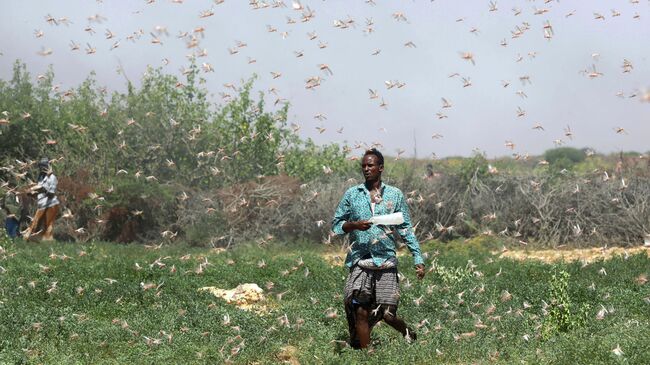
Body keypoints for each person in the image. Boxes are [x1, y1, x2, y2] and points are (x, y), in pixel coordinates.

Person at [332, 148, 426, 349]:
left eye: (370, 165)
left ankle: (407, 331)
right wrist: (355, 225)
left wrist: (417, 257)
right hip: (361, 260)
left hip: (385, 262)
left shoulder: (394, 195)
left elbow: (405, 228)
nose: (366, 169)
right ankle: (366, 356)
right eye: (363, 166)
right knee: (360, 311)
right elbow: (336, 225)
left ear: (380, 168)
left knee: (387, 315)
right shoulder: (353, 194)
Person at [23, 158, 60, 241]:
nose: (41, 169)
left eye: (43, 167)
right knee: (42, 225)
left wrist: (38, 189)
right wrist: (32, 193)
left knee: (42, 224)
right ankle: (43, 241)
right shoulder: (41, 177)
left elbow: (50, 193)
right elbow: (39, 191)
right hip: (42, 204)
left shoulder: (52, 178)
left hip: (50, 204)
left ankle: (32, 238)